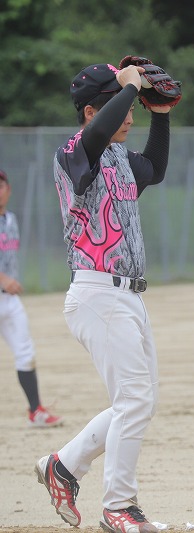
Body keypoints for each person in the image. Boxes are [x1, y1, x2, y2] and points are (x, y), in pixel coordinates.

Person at [35, 61, 176, 533]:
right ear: (92, 112)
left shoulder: (118, 156)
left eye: (132, 106)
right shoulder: (74, 152)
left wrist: (160, 115)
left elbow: (154, 169)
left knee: (138, 402)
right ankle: (118, 506)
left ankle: (63, 466)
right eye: (122, 105)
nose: (130, 115)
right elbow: (94, 136)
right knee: (133, 399)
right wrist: (129, 86)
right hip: (97, 291)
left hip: (128, 296)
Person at [0, 169, 63, 428]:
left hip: (9, 300)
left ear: (8, 189)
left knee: (25, 352)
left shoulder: (11, 220)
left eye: (1, 185)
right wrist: (3, 279)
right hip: (4, 288)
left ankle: (36, 411)